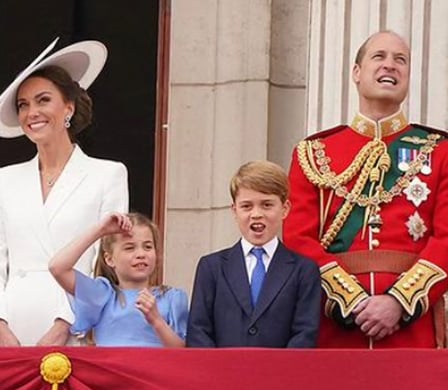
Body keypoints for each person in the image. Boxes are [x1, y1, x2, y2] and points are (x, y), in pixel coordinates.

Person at [285, 30, 448, 348]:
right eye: (379, 57)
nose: (391, 65)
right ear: (356, 73)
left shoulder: (439, 150)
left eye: (400, 60)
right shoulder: (313, 152)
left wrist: (399, 302)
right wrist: (351, 301)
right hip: (335, 325)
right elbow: (297, 238)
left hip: (412, 327)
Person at [0, 38, 129, 346]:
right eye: (24, 105)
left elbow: (102, 260)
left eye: (43, 100)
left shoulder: (108, 174)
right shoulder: (5, 179)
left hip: (76, 330)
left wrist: (64, 326)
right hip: (11, 330)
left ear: (68, 108)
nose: (32, 112)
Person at [187, 161, 321, 348]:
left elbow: (305, 333)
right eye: (247, 206)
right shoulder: (212, 267)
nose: (256, 214)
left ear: (285, 209)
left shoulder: (304, 270)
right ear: (234, 210)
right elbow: (198, 330)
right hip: (222, 374)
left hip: (280, 374)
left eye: (266, 205)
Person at [49, 212, 187, 347]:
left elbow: (183, 352)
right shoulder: (102, 295)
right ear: (109, 259)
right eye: (129, 248)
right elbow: (57, 267)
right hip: (109, 369)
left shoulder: (171, 297)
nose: (141, 254)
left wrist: (157, 321)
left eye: (148, 247)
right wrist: (100, 230)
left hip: (154, 369)